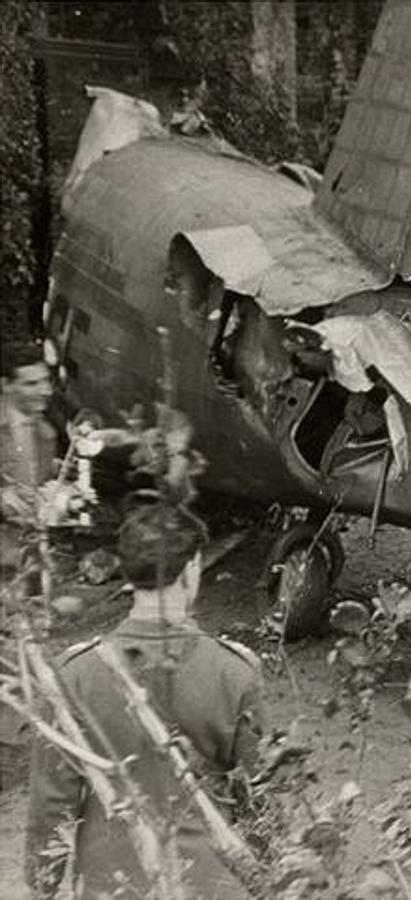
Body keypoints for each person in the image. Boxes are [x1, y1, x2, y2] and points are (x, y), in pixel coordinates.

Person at [25, 503, 266, 899]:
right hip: (210, 884)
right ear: (191, 571)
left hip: (112, 886)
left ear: (128, 574)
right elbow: (262, 798)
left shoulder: (73, 675)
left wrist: (43, 887)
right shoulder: (234, 671)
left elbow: (52, 806)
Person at [1, 344, 58, 574]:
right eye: (31, 384)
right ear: (5, 385)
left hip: (19, 557)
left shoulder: (47, 434)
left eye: (46, 381)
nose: (45, 391)